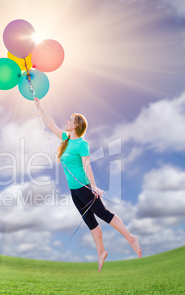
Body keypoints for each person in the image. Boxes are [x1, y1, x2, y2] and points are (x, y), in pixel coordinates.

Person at [34, 98, 141, 271]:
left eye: (70, 120)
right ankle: (101, 252)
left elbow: (86, 165)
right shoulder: (66, 140)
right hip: (74, 192)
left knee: (104, 215)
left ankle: (131, 238)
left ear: (75, 125)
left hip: (84, 189)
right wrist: (39, 106)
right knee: (90, 222)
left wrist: (94, 186)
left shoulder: (82, 144)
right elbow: (51, 124)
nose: (67, 121)